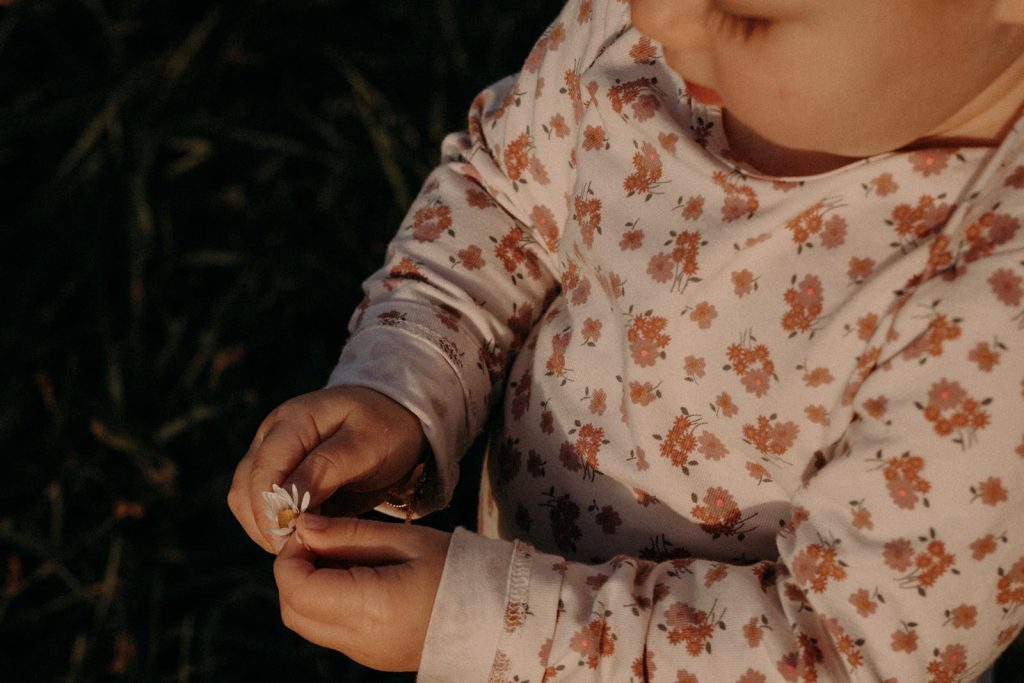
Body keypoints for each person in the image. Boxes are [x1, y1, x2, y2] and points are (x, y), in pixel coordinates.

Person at [227, 0, 1024, 679]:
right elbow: (507, 196)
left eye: (748, 12)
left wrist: (497, 629)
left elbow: (841, 652)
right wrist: (401, 382)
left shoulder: (997, 320)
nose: (651, 13)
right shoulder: (653, 39)